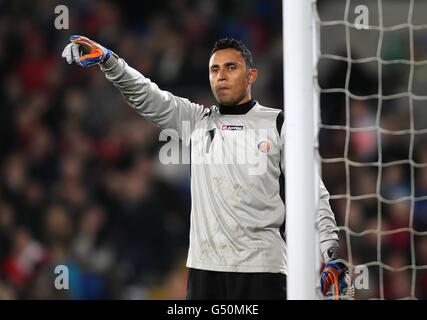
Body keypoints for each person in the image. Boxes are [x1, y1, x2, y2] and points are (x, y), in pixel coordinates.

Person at [62, 35, 351, 300]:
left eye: (230, 68)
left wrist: (331, 251)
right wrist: (110, 61)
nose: (221, 76)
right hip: (205, 269)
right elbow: (147, 96)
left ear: (252, 75)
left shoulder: (278, 125)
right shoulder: (197, 122)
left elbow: (314, 193)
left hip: (263, 268)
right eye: (214, 70)